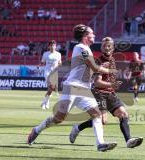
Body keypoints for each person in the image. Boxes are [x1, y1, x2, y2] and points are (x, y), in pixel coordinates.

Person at [27, 24, 118, 152]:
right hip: (72, 88)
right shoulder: (80, 47)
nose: (94, 35)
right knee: (59, 118)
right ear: (86, 36)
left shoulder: (87, 49)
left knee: (96, 115)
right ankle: (36, 130)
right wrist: (111, 70)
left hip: (84, 89)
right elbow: (94, 67)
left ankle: (100, 144)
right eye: (92, 33)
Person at [69, 37, 143, 148]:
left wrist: (112, 85)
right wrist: (111, 84)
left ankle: (129, 141)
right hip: (99, 93)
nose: (107, 48)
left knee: (123, 114)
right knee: (102, 120)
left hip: (110, 93)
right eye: (104, 46)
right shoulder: (99, 61)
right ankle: (78, 128)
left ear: (112, 48)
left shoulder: (113, 60)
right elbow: (97, 82)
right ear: (101, 48)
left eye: (109, 46)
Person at [39, 40, 62, 109]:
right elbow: (42, 62)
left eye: (54, 45)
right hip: (47, 72)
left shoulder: (58, 54)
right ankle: (44, 103)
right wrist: (39, 66)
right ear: (49, 46)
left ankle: (44, 102)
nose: (52, 47)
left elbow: (60, 62)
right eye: (51, 45)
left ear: (55, 46)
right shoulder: (45, 54)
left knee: (50, 89)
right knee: (51, 87)